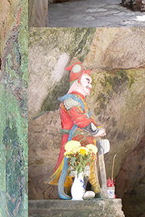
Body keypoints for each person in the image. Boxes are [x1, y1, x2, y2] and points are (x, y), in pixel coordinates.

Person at [48, 61, 106, 199]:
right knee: (76, 165)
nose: (90, 86)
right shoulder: (69, 100)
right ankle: (77, 192)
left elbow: (89, 120)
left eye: (91, 82)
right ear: (77, 81)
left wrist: (98, 129)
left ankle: (88, 190)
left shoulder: (82, 103)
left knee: (87, 165)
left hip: (85, 140)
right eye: (87, 81)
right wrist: (95, 131)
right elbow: (79, 119)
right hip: (73, 139)